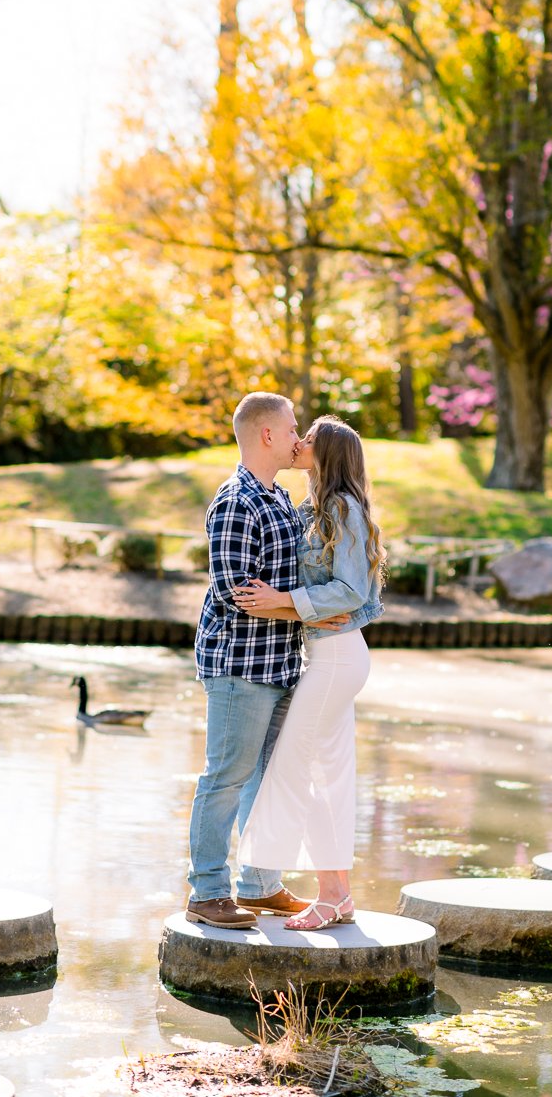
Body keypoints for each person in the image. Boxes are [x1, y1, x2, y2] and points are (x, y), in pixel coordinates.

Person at [185, 392, 347, 930]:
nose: (300, 436)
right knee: (226, 777)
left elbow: (281, 587)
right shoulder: (236, 501)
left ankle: (259, 886)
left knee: (276, 777)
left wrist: (295, 604)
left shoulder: (277, 498)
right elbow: (237, 592)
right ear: (267, 435)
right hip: (239, 666)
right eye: (293, 427)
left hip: (280, 665)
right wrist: (301, 610)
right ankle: (208, 892)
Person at [232, 414, 385, 931]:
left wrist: (282, 600)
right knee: (325, 776)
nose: (299, 442)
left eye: (310, 439)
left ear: (328, 455)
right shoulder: (313, 507)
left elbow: (350, 592)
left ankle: (322, 893)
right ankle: (337, 896)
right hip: (327, 653)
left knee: (298, 773)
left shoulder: (342, 507)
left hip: (338, 657)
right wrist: (285, 606)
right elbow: (328, 599)